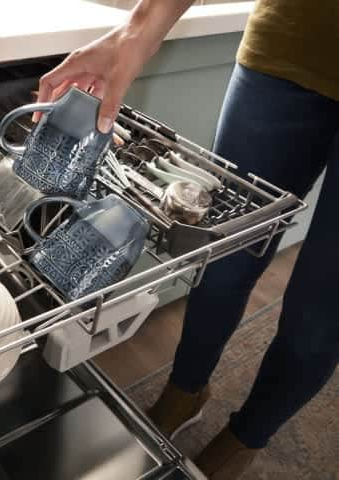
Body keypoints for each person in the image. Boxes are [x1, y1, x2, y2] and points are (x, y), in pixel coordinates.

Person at [34, 1, 339, 478]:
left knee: (319, 314)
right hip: (286, 45)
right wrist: (138, 29)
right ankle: (186, 389)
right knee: (221, 262)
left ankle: (247, 437)